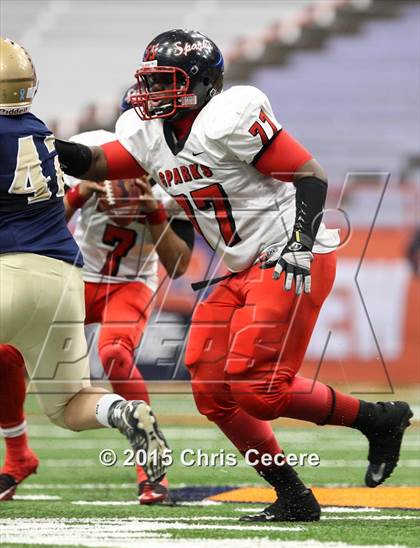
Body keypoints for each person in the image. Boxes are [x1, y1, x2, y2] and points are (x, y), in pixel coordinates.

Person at [56, 29, 413, 522]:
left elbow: (310, 173)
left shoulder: (229, 118)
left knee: (257, 389)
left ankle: (377, 419)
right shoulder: (147, 133)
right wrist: (42, 143)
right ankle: (292, 495)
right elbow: (96, 161)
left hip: (286, 251)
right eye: (150, 83)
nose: (151, 94)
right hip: (241, 264)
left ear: (203, 84)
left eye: (166, 83)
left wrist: (300, 246)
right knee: (211, 390)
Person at [0, 37, 169, 501]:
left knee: (105, 357)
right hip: (65, 278)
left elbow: (177, 258)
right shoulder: (39, 129)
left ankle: (147, 467)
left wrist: (151, 208)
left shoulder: (162, 163)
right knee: (69, 403)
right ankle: (122, 414)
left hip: (19, 276)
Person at [63, 119, 193, 503]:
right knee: (10, 351)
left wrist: (153, 211)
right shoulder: (89, 149)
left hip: (132, 281)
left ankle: (150, 463)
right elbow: (40, 225)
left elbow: (180, 266)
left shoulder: (179, 170)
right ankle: (17, 456)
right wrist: (78, 194)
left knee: (115, 354)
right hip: (80, 275)